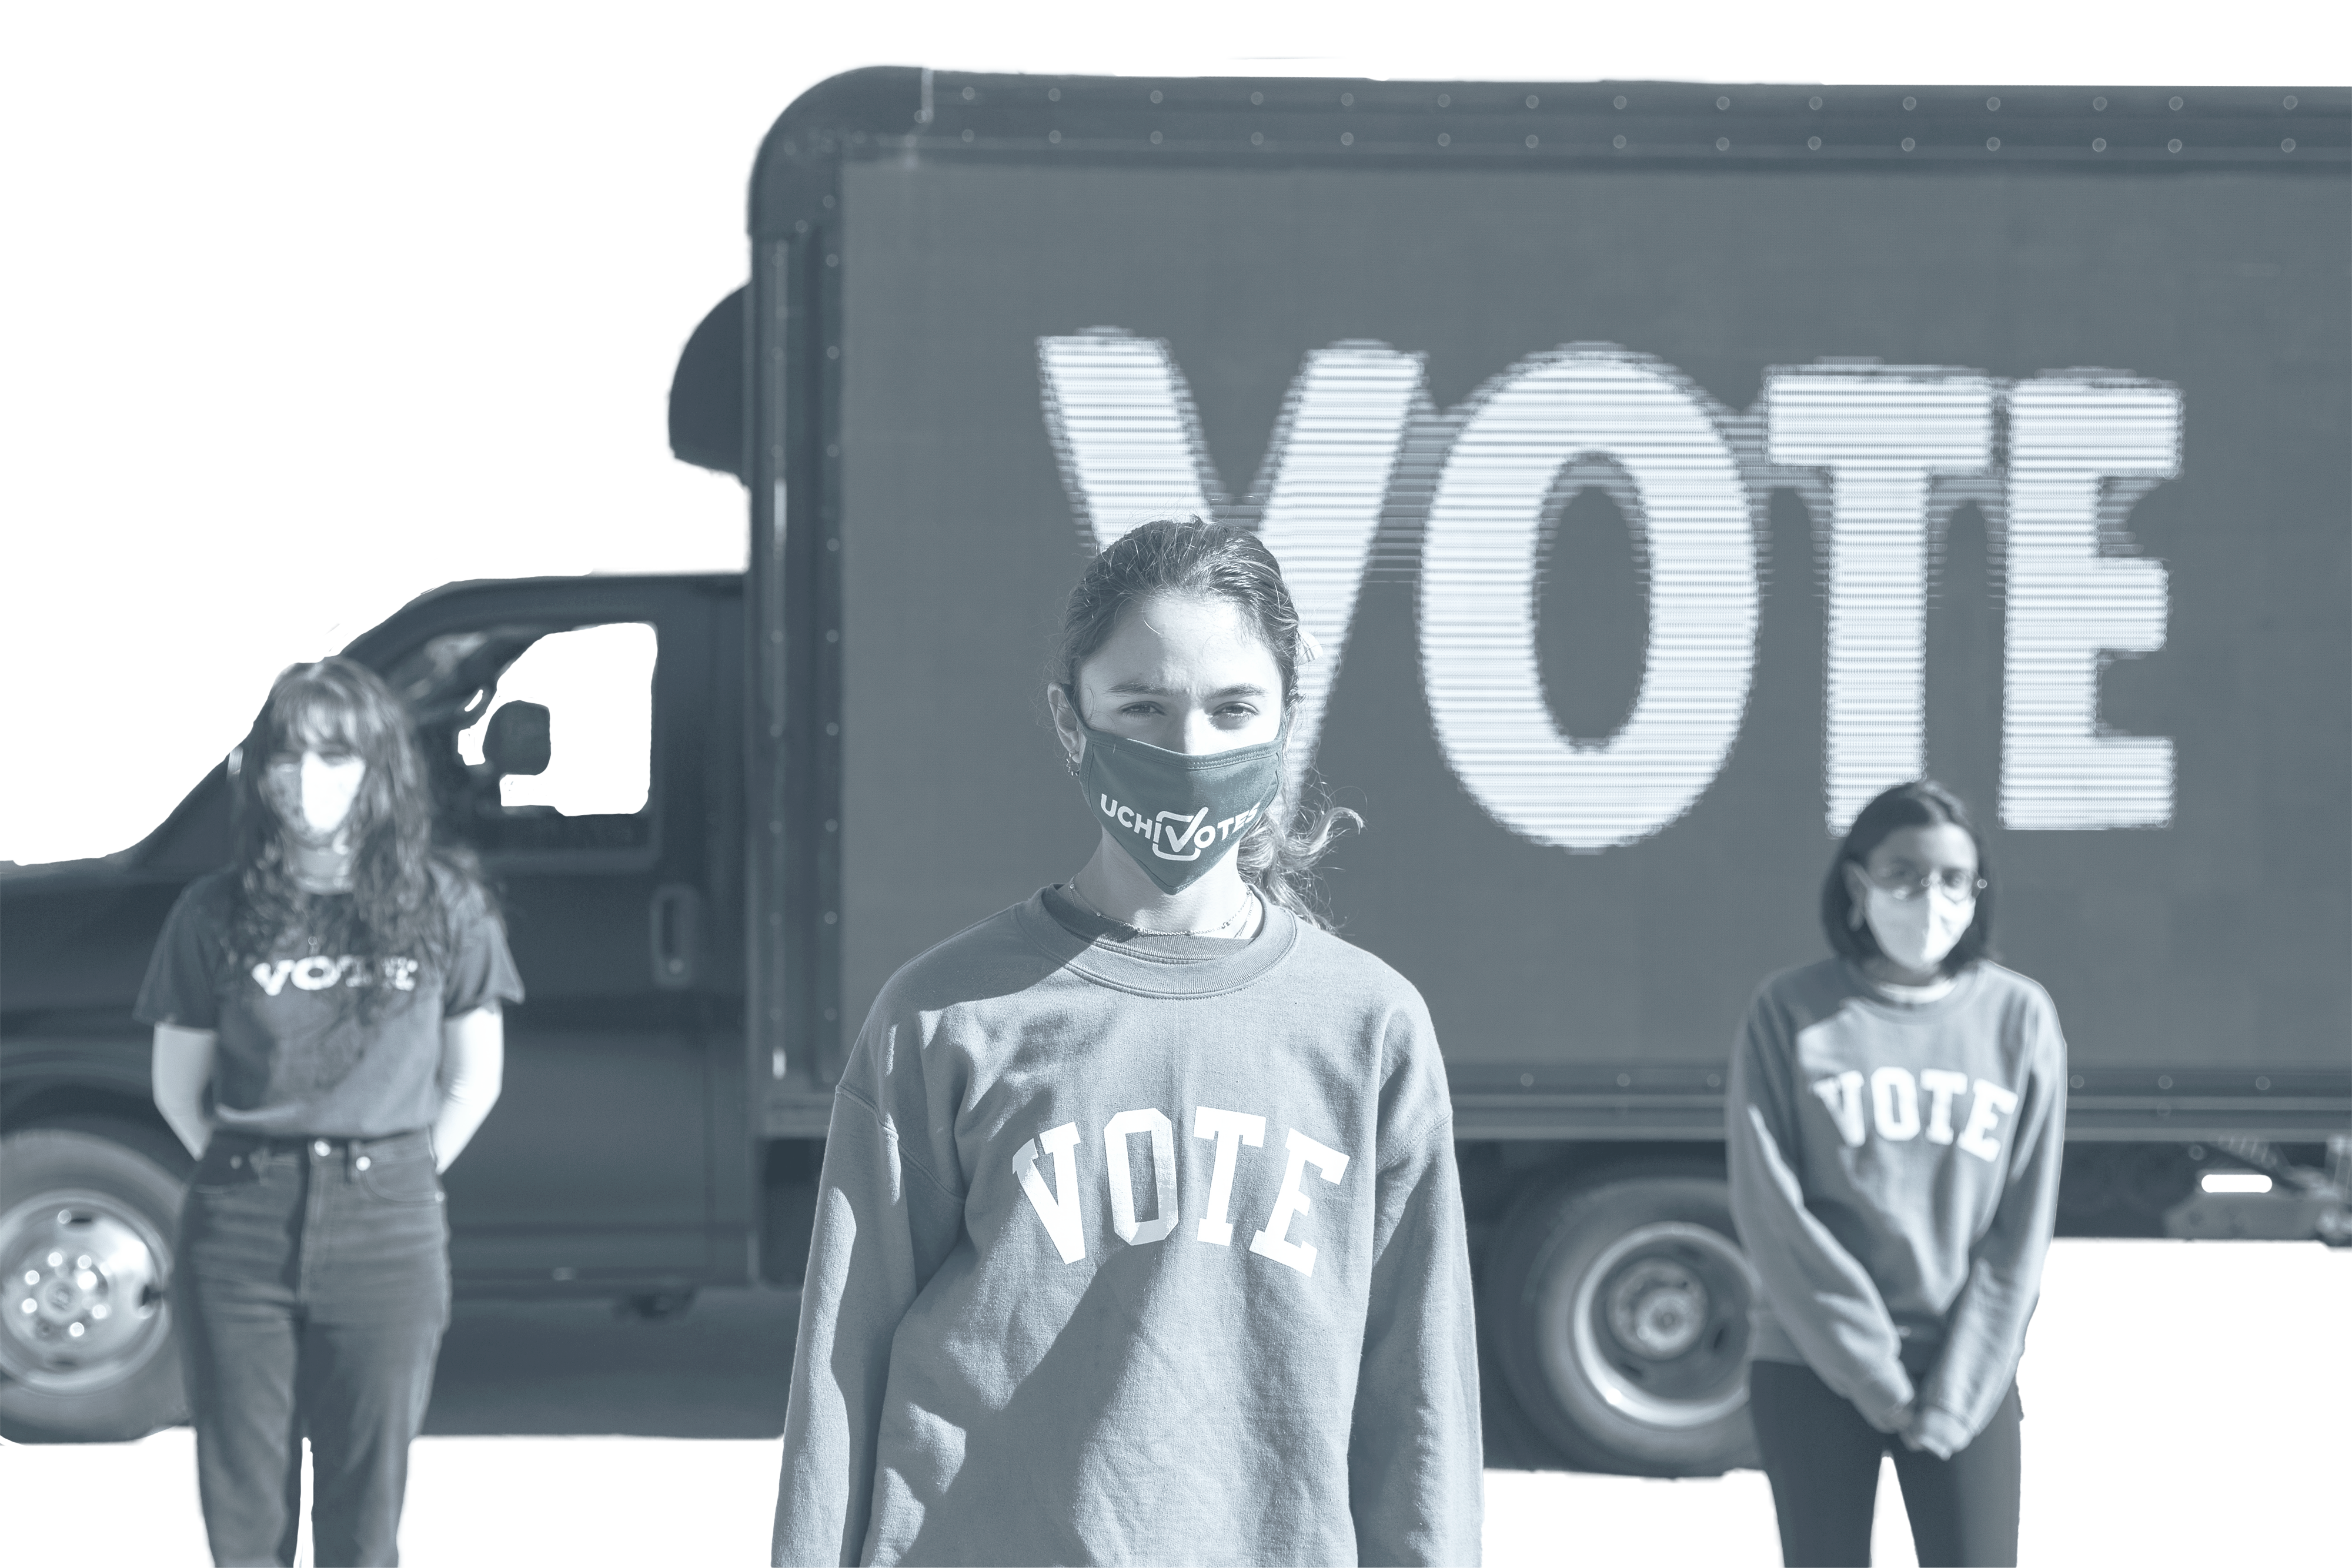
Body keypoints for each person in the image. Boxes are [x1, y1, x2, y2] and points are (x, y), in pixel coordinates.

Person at [772, 517, 1482, 1567]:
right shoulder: (944, 1017)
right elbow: (842, 1372)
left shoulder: (1369, 1027)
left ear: (1286, 719)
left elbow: (1417, 1397)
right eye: (1141, 705)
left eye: (1232, 707)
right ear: (1071, 722)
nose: (1187, 748)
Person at [140, 658, 523, 1568]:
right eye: (288, 757)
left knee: (364, 1511)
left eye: (336, 756)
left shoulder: (447, 907)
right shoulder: (214, 913)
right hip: (239, 1224)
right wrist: (258, 1167)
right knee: (245, 1508)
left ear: (381, 769)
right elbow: (175, 1089)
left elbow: (475, 1079)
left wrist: (403, 1173)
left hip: (388, 1217)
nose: (308, 781)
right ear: (259, 774)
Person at [1727, 780, 2066, 1568]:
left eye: (1954, 878)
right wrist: (1873, 1371)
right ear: (1858, 882)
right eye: (1905, 873)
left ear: (1978, 890)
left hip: (1966, 1371)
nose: (1931, 897)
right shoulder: (1790, 1010)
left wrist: (1953, 1392)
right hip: (1812, 1359)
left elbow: (2021, 1227)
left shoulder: (2019, 1017)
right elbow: (1772, 1208)